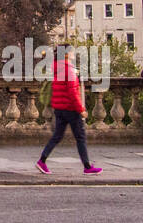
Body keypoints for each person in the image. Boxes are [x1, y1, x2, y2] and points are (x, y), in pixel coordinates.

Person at [36, 46, 102, 175]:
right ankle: (87, 166)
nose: (73, 53)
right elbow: (72, 93)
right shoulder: (68, 70)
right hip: (70, 109)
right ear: (66, 54)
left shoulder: (57, 67)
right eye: (71, 51)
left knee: (57, 136)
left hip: (59, 108)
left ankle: (42, 161)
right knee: (80, 137)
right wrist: (81, 109)